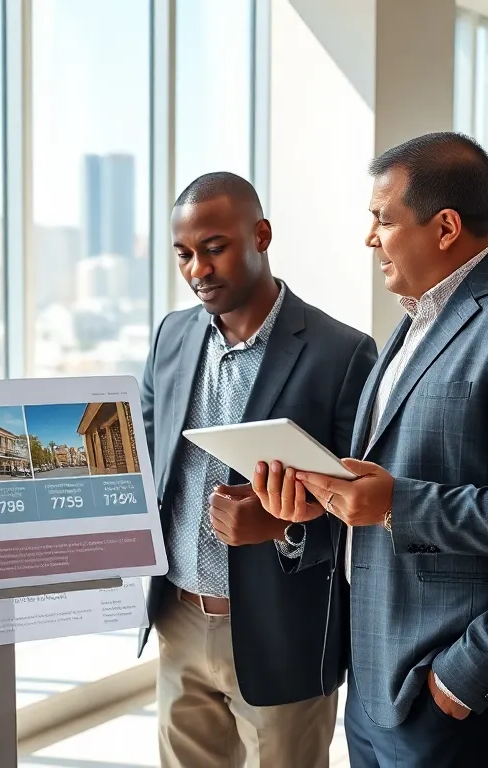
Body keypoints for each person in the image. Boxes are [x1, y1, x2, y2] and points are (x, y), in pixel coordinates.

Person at [256, 133, 488, 768]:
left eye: (382, 219)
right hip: (375, 679)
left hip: (448, 690)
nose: (371, 238)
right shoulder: (420, 311)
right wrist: (321, 504)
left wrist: (462, 677)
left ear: (445, 227)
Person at [138, 171, 378, 767]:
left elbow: (365, 511)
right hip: (179, 617)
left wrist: (285, 527)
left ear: (261, 236)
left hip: (282, 632)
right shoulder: (171, 336)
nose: (198, 270)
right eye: (184, 255)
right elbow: (145, 458)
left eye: (214, 248)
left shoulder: (342, 353)